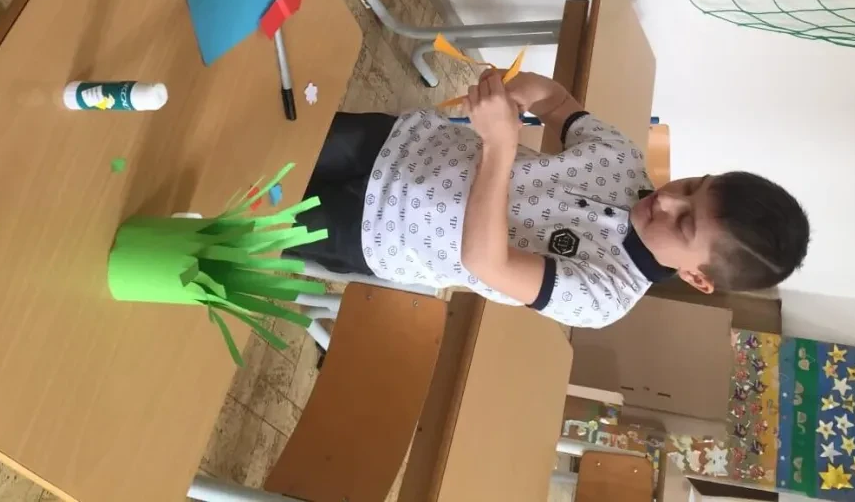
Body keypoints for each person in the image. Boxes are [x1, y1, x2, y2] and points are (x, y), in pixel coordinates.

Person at [287, 69, 808, 328]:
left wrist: (499, 144)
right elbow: (557, 101)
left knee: (251, 206)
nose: (668, 201)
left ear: (697, 278)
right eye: (693, 186)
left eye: (685, 223)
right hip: (398, 142)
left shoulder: (607, 294)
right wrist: (518, 94)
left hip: (376, 231)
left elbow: (485, 262)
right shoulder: (622, 159)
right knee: (270, 135)